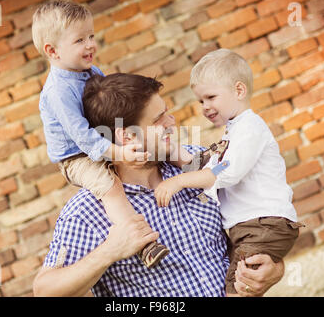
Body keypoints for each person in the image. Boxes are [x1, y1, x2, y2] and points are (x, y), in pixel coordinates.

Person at [33, 73, 285, 297]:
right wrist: (109, 251)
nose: (171, 121)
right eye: (159, 119)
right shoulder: (88, 212)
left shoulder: (200, 166)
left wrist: (273, 268)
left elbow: (261, 224)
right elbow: (44, 290)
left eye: (166, 111)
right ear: (127, 136)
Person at [31, 0, 179, 267]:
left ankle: (193, 162)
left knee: (152, 139)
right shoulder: (58, 91)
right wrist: (120, 153)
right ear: (52, 51)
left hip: (101, 139)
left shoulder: (91, 70)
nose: (90, 44)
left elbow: (108, 109)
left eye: (91, 36)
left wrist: (127, 138)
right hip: (77, 156)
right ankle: (143, 243)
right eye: (79, 40)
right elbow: (83, 138)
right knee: (111, 187)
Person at [154, 49, 303, 296]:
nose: (205, 107)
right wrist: (174, 155)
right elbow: (210, 165)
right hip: (251, 227)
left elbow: (225, 171)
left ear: (239, 91)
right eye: (201, 101)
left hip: (263, 224)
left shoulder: (249, 128)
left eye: (211, 97)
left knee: (237, 288)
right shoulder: (234, 130)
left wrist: (179, 181)